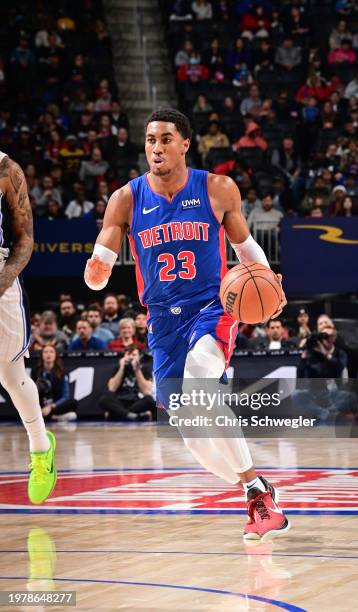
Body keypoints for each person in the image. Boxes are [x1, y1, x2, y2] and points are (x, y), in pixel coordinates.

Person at [84, 108, 289, 541]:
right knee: (192, 436)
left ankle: (256, 492)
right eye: (150, 139)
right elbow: (100, 258)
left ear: (185, 144)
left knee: (201, 383)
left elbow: (246, 248)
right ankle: (254, 488)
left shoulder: (216, 188)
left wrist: (271, 284)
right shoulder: (126, 198)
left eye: (165, 138)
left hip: (210, 308)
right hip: (162, 322)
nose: (155, 147)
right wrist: (96, 271)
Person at [0, 151, 56, 504]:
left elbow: (24, 238)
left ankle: (40, 450)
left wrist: (4, 279)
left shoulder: (5, 168)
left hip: (0, 275)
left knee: (10, 375)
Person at [292, 321, 355, 421]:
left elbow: (338, 369)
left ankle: (321, 412)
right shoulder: (312, 354)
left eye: (328, 336)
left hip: (334, 393)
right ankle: (325, 413)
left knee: (350, 396)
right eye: (323, 336)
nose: (325, 339)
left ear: (334, 337)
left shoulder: (340, 353)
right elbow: (300, 376)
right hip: (315, 393)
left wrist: (325, 354)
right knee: (296, 394)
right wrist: (304, 356)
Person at [98, 346, 155, 420]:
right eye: (128, 354)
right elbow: (111, 388)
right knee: (104, 399)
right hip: (119, 402)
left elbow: (147, 391)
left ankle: (120, 415)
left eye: (134, 355)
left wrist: (137, 370)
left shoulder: (145, 368)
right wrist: (121, 368)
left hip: (136, 402)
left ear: (139, 357)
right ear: (124, 356)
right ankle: (133, 416)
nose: (131, 357)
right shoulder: (118, 368)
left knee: (149, 399)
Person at [34, 345, 78, 421]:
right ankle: (52, 417)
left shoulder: (61, 373)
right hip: (41, 405)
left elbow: (65, 396)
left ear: (55, 355)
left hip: (54, 405)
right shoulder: (36, 372)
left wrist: (51, 406)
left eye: (51, 352)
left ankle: (50, 416)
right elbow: (32, 394)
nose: (48, 354)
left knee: (73, 402)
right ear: (41, 355)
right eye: (45, 352)